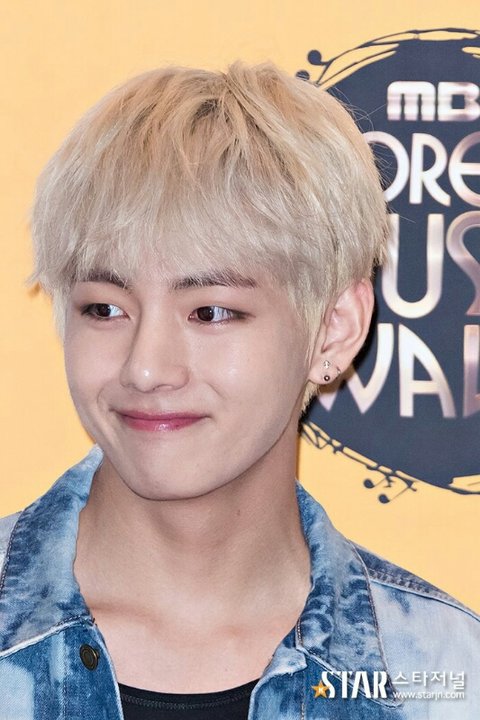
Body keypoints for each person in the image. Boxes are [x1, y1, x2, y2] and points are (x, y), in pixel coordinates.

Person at [0, 61, 478, 720]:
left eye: (211, 312)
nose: (146, 368)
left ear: (333, 328)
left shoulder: (445, 676)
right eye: (104, 309)